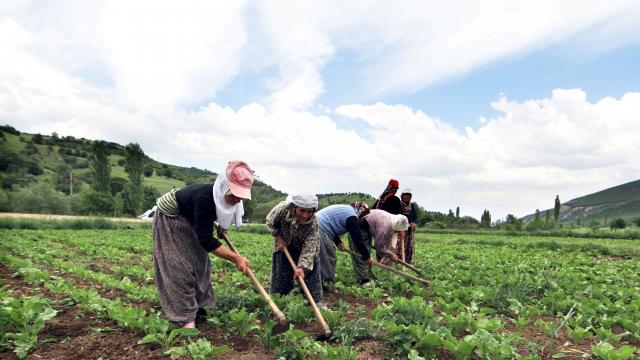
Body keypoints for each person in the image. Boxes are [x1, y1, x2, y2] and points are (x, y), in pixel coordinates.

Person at [152, 160, 254, 328]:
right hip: (171, 217)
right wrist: (236, 258)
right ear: (224, 189)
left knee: (201, 264)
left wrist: (222, 226)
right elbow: (206, 240)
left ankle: (201, 306)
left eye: (240, 196)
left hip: (190, 216)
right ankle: (184, 317)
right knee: (179, 266)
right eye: (234, 195)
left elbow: (222, 214)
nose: (237, 199)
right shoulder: (205, 198)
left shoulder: (232, 199)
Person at [267, 193, 327, 309]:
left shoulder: (313, 224)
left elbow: (309, 248)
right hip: (284, 241)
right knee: (281, 270)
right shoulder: (282, 210)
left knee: (311, 271)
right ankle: (277, 299)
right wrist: (279, 237)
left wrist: (302, 267)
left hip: (303, 247)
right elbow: (270, 222)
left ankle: (315, 302)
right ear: (294, 207)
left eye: (310, 212)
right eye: (302, 211)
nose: (305, 215)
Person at [316, 203, 373, 288]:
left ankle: (324, 278)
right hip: (319, 228)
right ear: (361, 212)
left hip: (318, 224)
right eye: (363, 216)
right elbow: (357, 239)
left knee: (325, 255)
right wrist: (367, 256)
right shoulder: (352, 217)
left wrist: (338, 242)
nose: (362, 219)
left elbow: (330, 222)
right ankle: (327, 282)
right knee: (328, 256)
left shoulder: (348, 210)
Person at [349, 209, 409, 284]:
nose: (398, 233)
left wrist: (390, 253)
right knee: (361, 255)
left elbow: (385, 242)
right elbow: (379, 247)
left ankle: (368, 277)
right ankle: (363, 281)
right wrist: (390, 254)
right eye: (399, 231)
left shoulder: (392, 220)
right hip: (358, 229)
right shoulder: (385, 226)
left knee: (366, 254)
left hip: (366, 229)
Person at [397, 188, 418, 263]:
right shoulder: (399, 205)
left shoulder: (412, 206)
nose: (407, 196)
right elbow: (398, 216)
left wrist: (414, 223)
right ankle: (400, 262)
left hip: (410, 230)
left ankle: (407, 263)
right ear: (402, 196)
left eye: (409, 195)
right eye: (406, 195)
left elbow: (415, 216)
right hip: (401, 230)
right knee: (400, 247)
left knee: (409, 247)